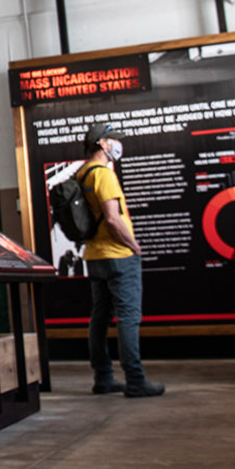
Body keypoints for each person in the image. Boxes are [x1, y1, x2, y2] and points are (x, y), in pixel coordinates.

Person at [78, 123, 163, 398]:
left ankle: (103, 378)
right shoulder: (103, 174)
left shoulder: (82, 174)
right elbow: (113, 218)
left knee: (99, 318)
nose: (117, 144)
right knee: (128, 317)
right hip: (117, 255)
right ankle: (135, 380)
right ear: (102, 143)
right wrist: (134, 245)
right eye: (113, 139)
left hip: (94, 255)